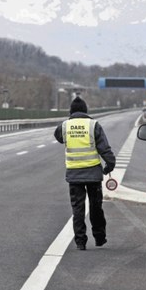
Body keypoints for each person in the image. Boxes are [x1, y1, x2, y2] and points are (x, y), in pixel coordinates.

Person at [54, 96, 116, 251]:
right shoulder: (93, 125)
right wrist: (110, 164)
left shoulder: (65, 126)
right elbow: (104, 148)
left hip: (74, 176)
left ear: (71, 111)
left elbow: (58, 137)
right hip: (93, 174)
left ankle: (80, 242)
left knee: (78, 209)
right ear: (86, 110)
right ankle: (99, 237)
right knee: (96, 207)